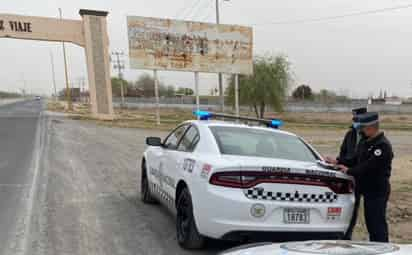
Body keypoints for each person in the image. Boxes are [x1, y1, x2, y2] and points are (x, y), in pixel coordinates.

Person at [338, 112, 393, 242]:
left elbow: (368, 167)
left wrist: (349, 171)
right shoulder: (365, 141)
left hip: (377, 190)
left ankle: (382, 247)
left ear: (371, 128)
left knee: (376, 223)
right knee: (370, 222)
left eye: (362, 128)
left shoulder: (382, 145)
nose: (360, 130)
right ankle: (375, 245)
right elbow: (355, 159)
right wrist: (338, 162)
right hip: (366, 188)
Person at [325, 107, 366, 240]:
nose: (355, 122)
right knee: (351, 208)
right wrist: (337, 162)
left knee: (372, 214)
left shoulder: (368, 136)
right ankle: (347, 235)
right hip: (348, 174)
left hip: (362, 175)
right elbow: (343, 152)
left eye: (357, 119)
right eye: (354, 119)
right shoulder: (350, 134)